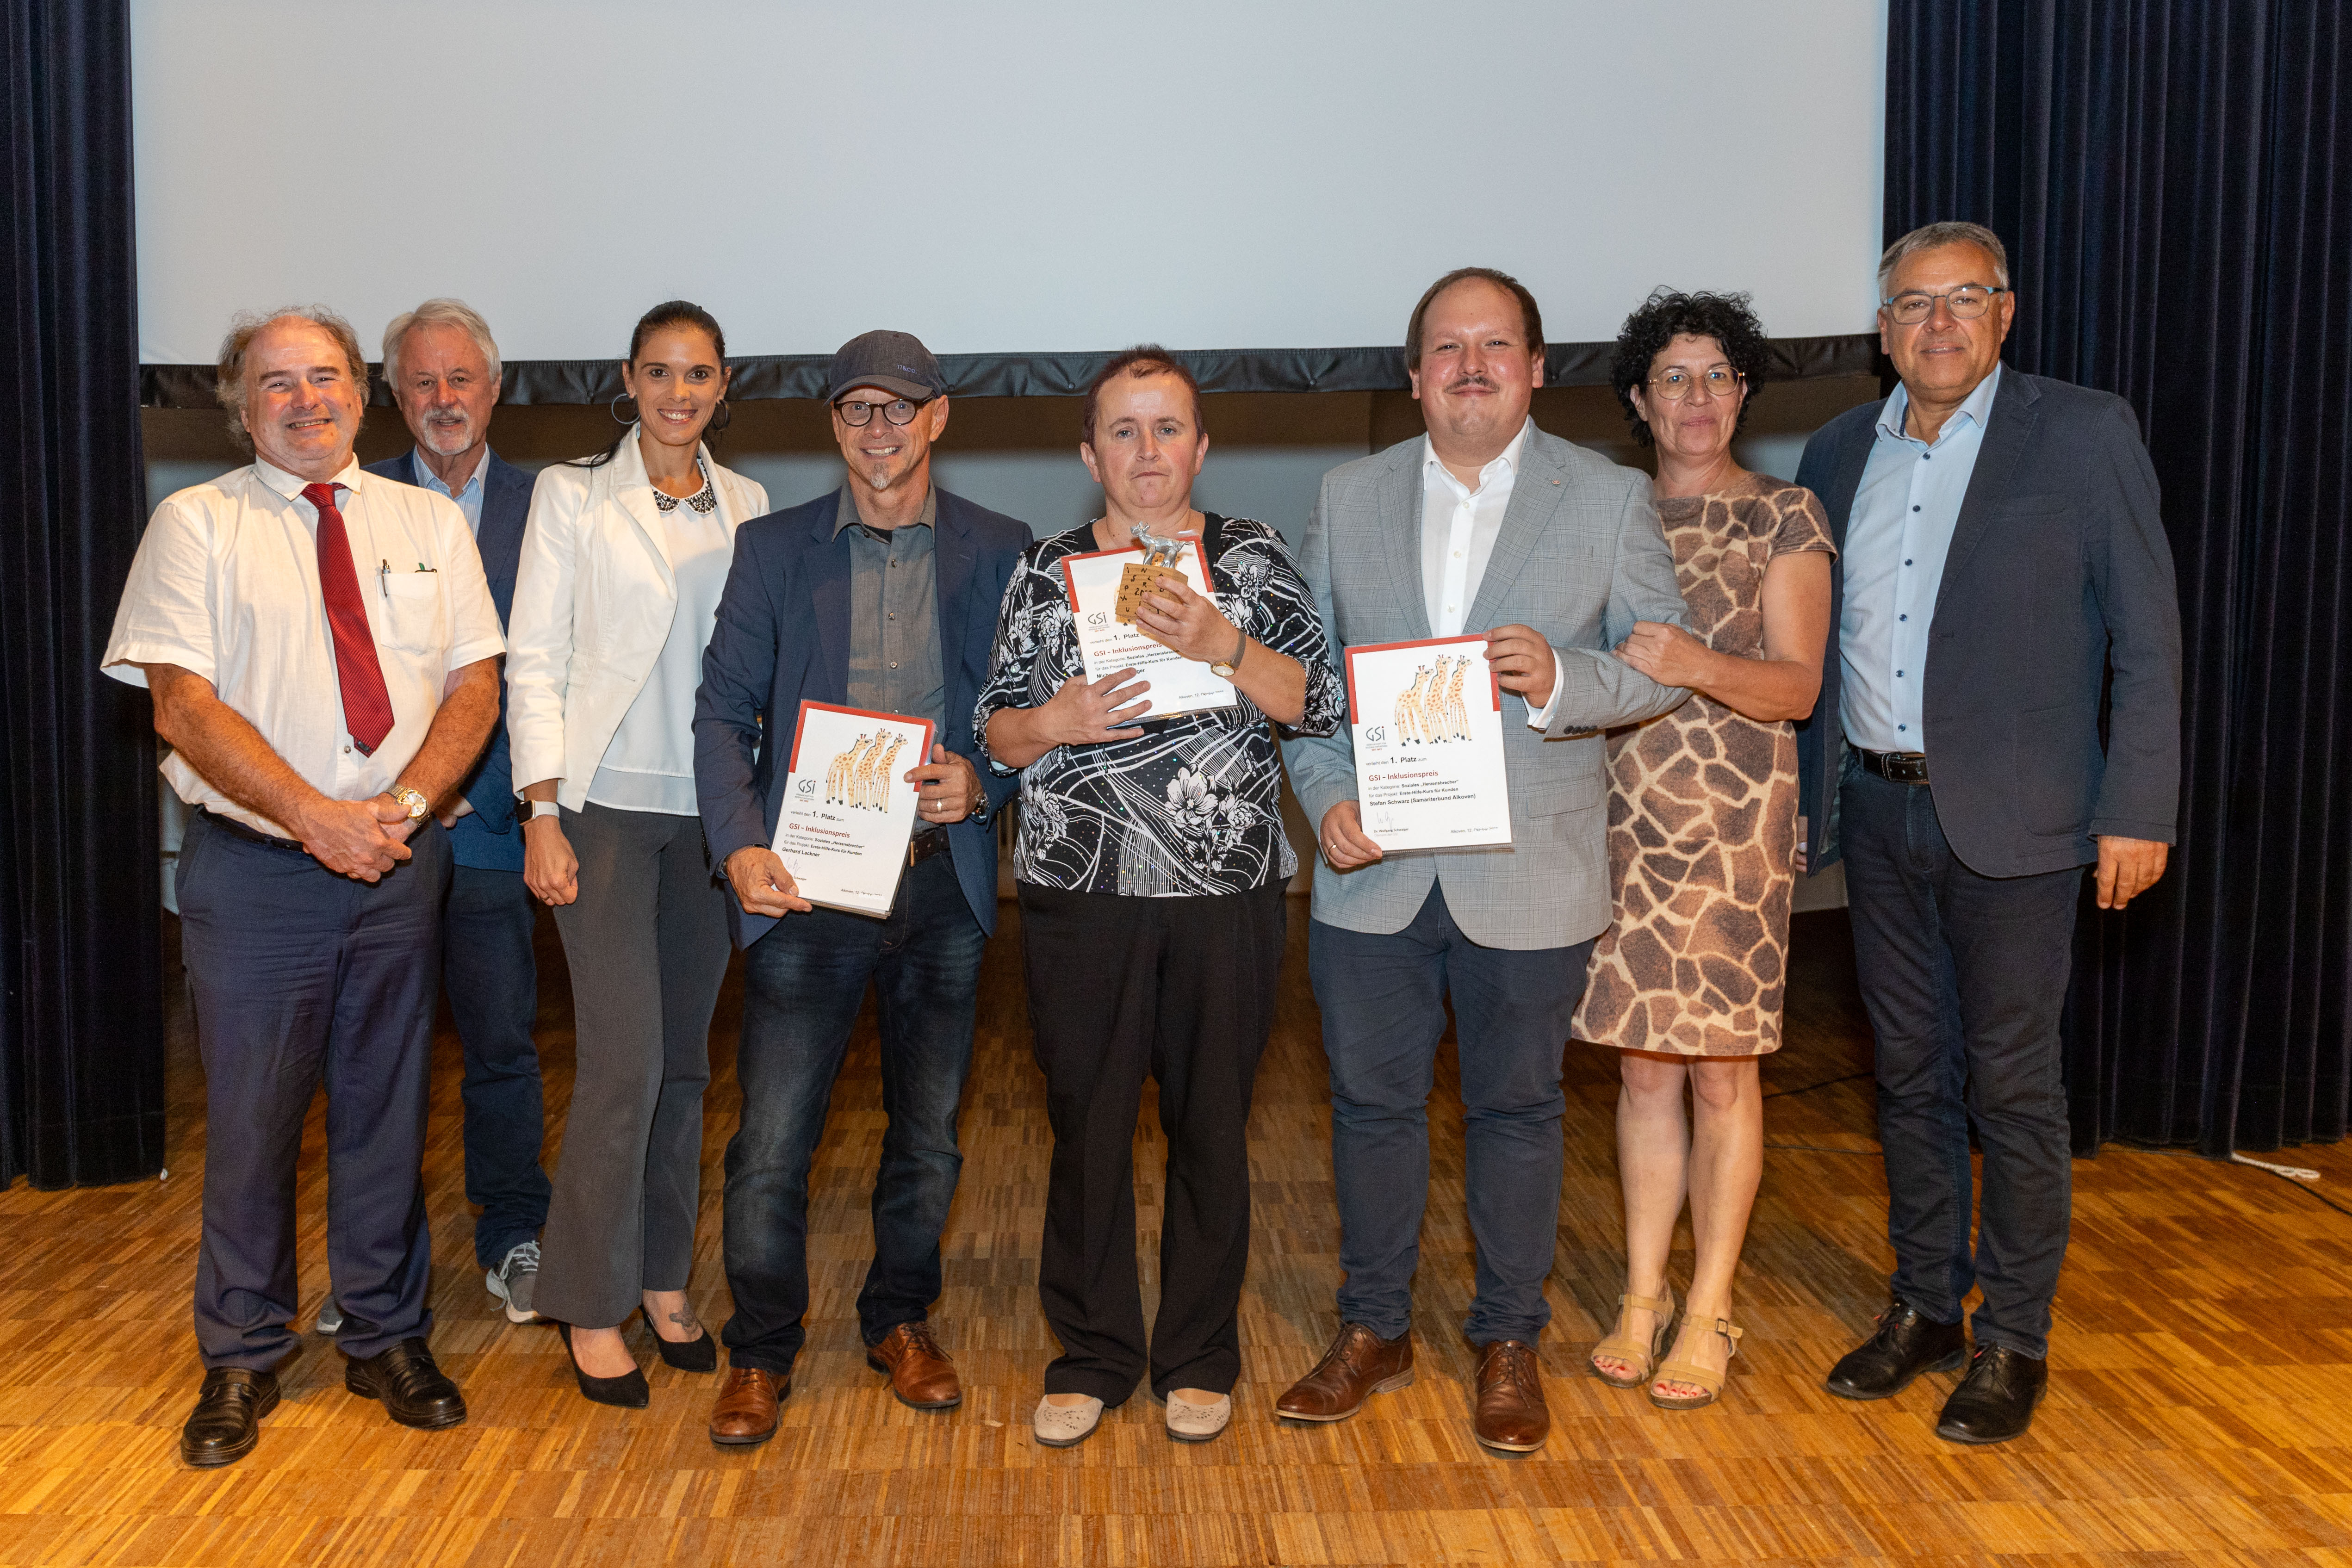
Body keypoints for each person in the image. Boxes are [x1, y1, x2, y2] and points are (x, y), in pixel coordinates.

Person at [1274, 267, 1691, 1454]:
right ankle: (1373, 1329)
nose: (1471, 366)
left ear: (1536, 369)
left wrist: (1564, 680)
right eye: (1447, 348)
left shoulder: (1606, 496)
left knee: (1517, 1111)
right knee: (1370, 1109)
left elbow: (1659, 667)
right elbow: (1306, 684)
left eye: (1495, 345)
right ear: (1414, 376)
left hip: (1530, 870)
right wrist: (1325, 798)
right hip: (1374, 870)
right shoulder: (1346, 495)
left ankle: (1508, 1339)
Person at [1794, 222, 2181, 1444]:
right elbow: (1817, 647)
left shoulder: (2082, 433)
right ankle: (1924, 1304)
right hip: (1876, 810)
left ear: (2004, 313)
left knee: (2011, 1087)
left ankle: (2013, 1334)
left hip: (2022, 824)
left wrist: (2137, 807)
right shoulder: (1836, 449)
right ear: (1882, 329)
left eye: (1965, 298)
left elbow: (2147, 638)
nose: (1939, 323)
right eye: (1914, 304)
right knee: (1908, 1075)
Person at [103, 306, 503, 1466]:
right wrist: (315, 818)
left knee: (388, 1111)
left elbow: (474, 687)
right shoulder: (197, 525)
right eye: (276, 382)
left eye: (324, 376)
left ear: (360, 394)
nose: (305, 400)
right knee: (251, 1122)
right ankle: (241, 1353)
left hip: (397, 864)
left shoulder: (429, 521)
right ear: (241, 406)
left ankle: (386, 1334)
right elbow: (183, 706)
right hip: (259, 875)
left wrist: (404, 810)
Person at [976, 347, 1345, 1448]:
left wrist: (1224, 643)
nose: (1147, 451)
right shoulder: (1044, 569)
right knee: (1086, 1126)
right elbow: (994, 728)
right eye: (1123, 431)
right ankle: (1092, 1353)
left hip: (1223, 893)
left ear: (1201, 446)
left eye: (1167, 428)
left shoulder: (1254, 559)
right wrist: (1051, 722)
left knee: (1211, 1127)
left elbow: (1318, 700)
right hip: (1079, 894)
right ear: (1090, 454)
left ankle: (1197, 1353)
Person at [692, 331, 1031, 1446]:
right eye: (855, 409)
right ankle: (760, 1349)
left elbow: (1020, 716)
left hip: (941, 889)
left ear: (938, 418)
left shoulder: (1003, 548)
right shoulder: (772, 549)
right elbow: (721, 713)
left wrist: (984, 783)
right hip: (807, 889)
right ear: (833, 425)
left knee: (928, 1136)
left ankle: (899, 1320)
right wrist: (739, 845)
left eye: (899, 407)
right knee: (771, 1144)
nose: (877, 429)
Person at [505, 300, 768, 1407]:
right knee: (622, 1064)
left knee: (686, 1066)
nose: (677, 392)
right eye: (658, 371)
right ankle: (585, 1300)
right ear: (628, 380)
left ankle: (662, 1277)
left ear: (722, 386)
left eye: (697, 373)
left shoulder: (749, 503)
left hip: (708, 818)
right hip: (602, 809)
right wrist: (540, 810)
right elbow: (534, 659)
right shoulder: (571, 495)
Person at [1576, 290, 1834, 1410]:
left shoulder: (1785, 515)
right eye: (1673, 378)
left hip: (1733, 830)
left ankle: (1710, 1304)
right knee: (1642, 1070)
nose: (1697, 396)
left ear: (1742, 394)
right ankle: (1641, 1295)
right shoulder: (1603, 510)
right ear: (1639, 400)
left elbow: (1797, 688)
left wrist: (1693, 665)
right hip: (1615, 821)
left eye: (1717, 376)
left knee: (1724, 1075)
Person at [350, 298, 551, 1328]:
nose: (443, 399)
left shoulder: (549, 505)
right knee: (373, 1059)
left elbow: (556, 669)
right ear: (394, 395)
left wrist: (474, 782)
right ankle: (376, 1272)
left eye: (460, 378)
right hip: (377, 834)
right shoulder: (352, 503)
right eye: (422, 382)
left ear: (495, 388)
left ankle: (515, 1236)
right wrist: (403, 793)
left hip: (486, 829)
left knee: (501, 1046)